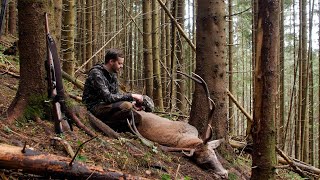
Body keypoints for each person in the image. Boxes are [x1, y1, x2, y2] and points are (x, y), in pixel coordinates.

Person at [83, 48, 149, 132]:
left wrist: (133, 103)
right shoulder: (96, 73)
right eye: (119, 63)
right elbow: (108, 97)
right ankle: (108, 125)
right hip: (93, 107)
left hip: (106, 106)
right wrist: (131, 96)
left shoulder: (113, 75)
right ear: (111, 62)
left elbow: (116, 95)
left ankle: (117, 125)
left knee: (134, 112)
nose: (121, 66)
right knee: (126, 106)